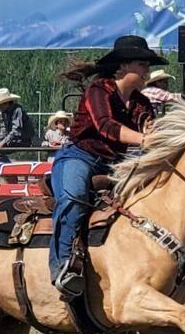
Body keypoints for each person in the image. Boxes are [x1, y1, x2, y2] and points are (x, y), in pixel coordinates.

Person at [49, 35, 164, 299]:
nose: (147, 71)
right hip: (80, 155)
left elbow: (148, 127)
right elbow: (106, 126)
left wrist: (154, 135)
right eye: (142, 64)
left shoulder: (141, 103)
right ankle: (62, 267)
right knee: (73, 198)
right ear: (123, 67)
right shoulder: (98, 90)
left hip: (116, 162)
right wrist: (146, 139)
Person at [0, 87, 36, 161]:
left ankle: (9, 169)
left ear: (6, 103)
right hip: (13, 140)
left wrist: (0, 145)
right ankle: (6, 168)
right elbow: (3, 130)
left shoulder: (17, 110)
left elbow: (16, 131)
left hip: (25, 141)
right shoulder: (3, 113)